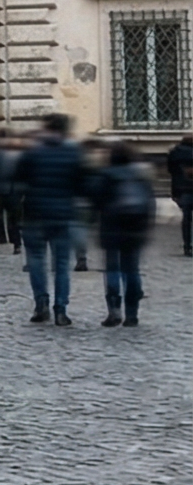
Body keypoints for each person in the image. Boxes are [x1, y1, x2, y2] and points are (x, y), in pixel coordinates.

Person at [16, 113, 85, 326]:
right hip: (63, 215)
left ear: (46, 128)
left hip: (35, 215)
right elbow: (82, 184)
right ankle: (61, 309)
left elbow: (18, 178)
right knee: (62, 265)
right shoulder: (74, 153)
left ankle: (41, 304)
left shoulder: (32, 152)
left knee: (36, 261)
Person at [93, 143, 153, 328]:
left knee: (112, 269)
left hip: (111, 226)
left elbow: (96, 200)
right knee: (132, 270)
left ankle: (114, 310)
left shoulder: (106, 175)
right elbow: (150, 202)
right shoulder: (140, 176)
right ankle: (132, 314)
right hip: (135, 227)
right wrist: (146, 226)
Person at [170, 130, 193, 257]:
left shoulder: (175, 153)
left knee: (186, 219)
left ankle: (187, 246)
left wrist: (175, 192)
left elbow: (171, 172)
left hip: (182, 189)